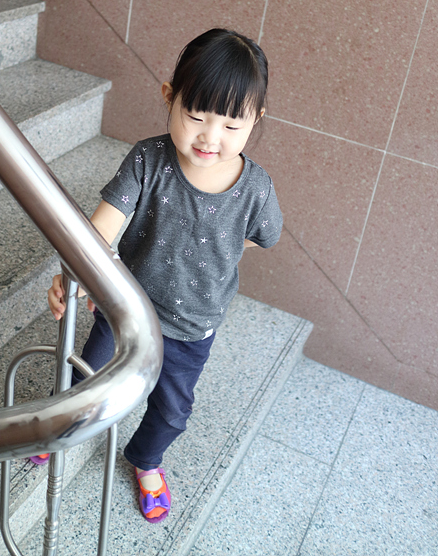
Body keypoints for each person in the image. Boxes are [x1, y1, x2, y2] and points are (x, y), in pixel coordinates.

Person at [46, 28, 283, 523]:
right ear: (169, 97)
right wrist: (74, 273)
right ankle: (56, 426)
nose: (210, 137)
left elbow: (263, 236)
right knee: (85, 374)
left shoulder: (257, 188)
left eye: (231, 125)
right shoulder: (148, 159)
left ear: (256, 119)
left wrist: (221, 246)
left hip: (192, 326)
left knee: (173, 410)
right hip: (124, 307)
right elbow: (101, 227)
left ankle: (146, 460)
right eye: (196, 116)